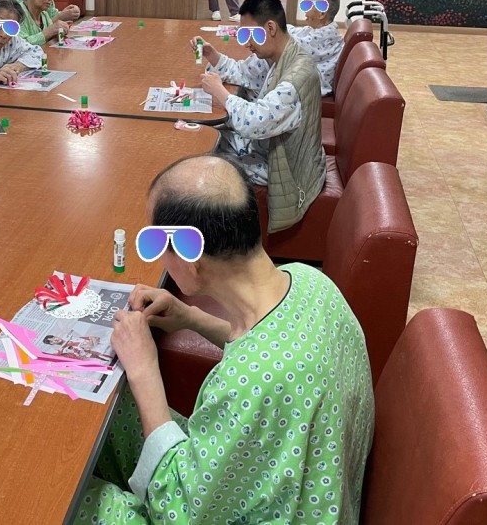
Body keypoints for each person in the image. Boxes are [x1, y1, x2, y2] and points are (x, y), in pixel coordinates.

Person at [73, 154, 374, 525]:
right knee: (113, 413)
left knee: (67, 497)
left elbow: (177, 510)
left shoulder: (247, 382)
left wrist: (143, 368)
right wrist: (190, 317)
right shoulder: (310, 280)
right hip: (303, 479)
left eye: (158, 246)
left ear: (191, 261)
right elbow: (258, 344)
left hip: (222, 507)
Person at [193, 0, 326, 233]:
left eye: (249, 34)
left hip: (284, 169)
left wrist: (221, 92)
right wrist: (214, 56)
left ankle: (213, 235)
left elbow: (254, 123)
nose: (246, 43)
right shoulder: (277, 53)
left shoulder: (298, 75)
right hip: (267, 147)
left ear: (270, 28)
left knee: (203, 162)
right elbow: (243, 73)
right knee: (204, 135)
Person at [289, 0, 345, 96]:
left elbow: (291, 44)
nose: (305, 10)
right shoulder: (322, 30)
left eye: (308, 5)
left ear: (321, 14)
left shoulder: (323, 39)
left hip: (310, 88)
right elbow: (295, 31)